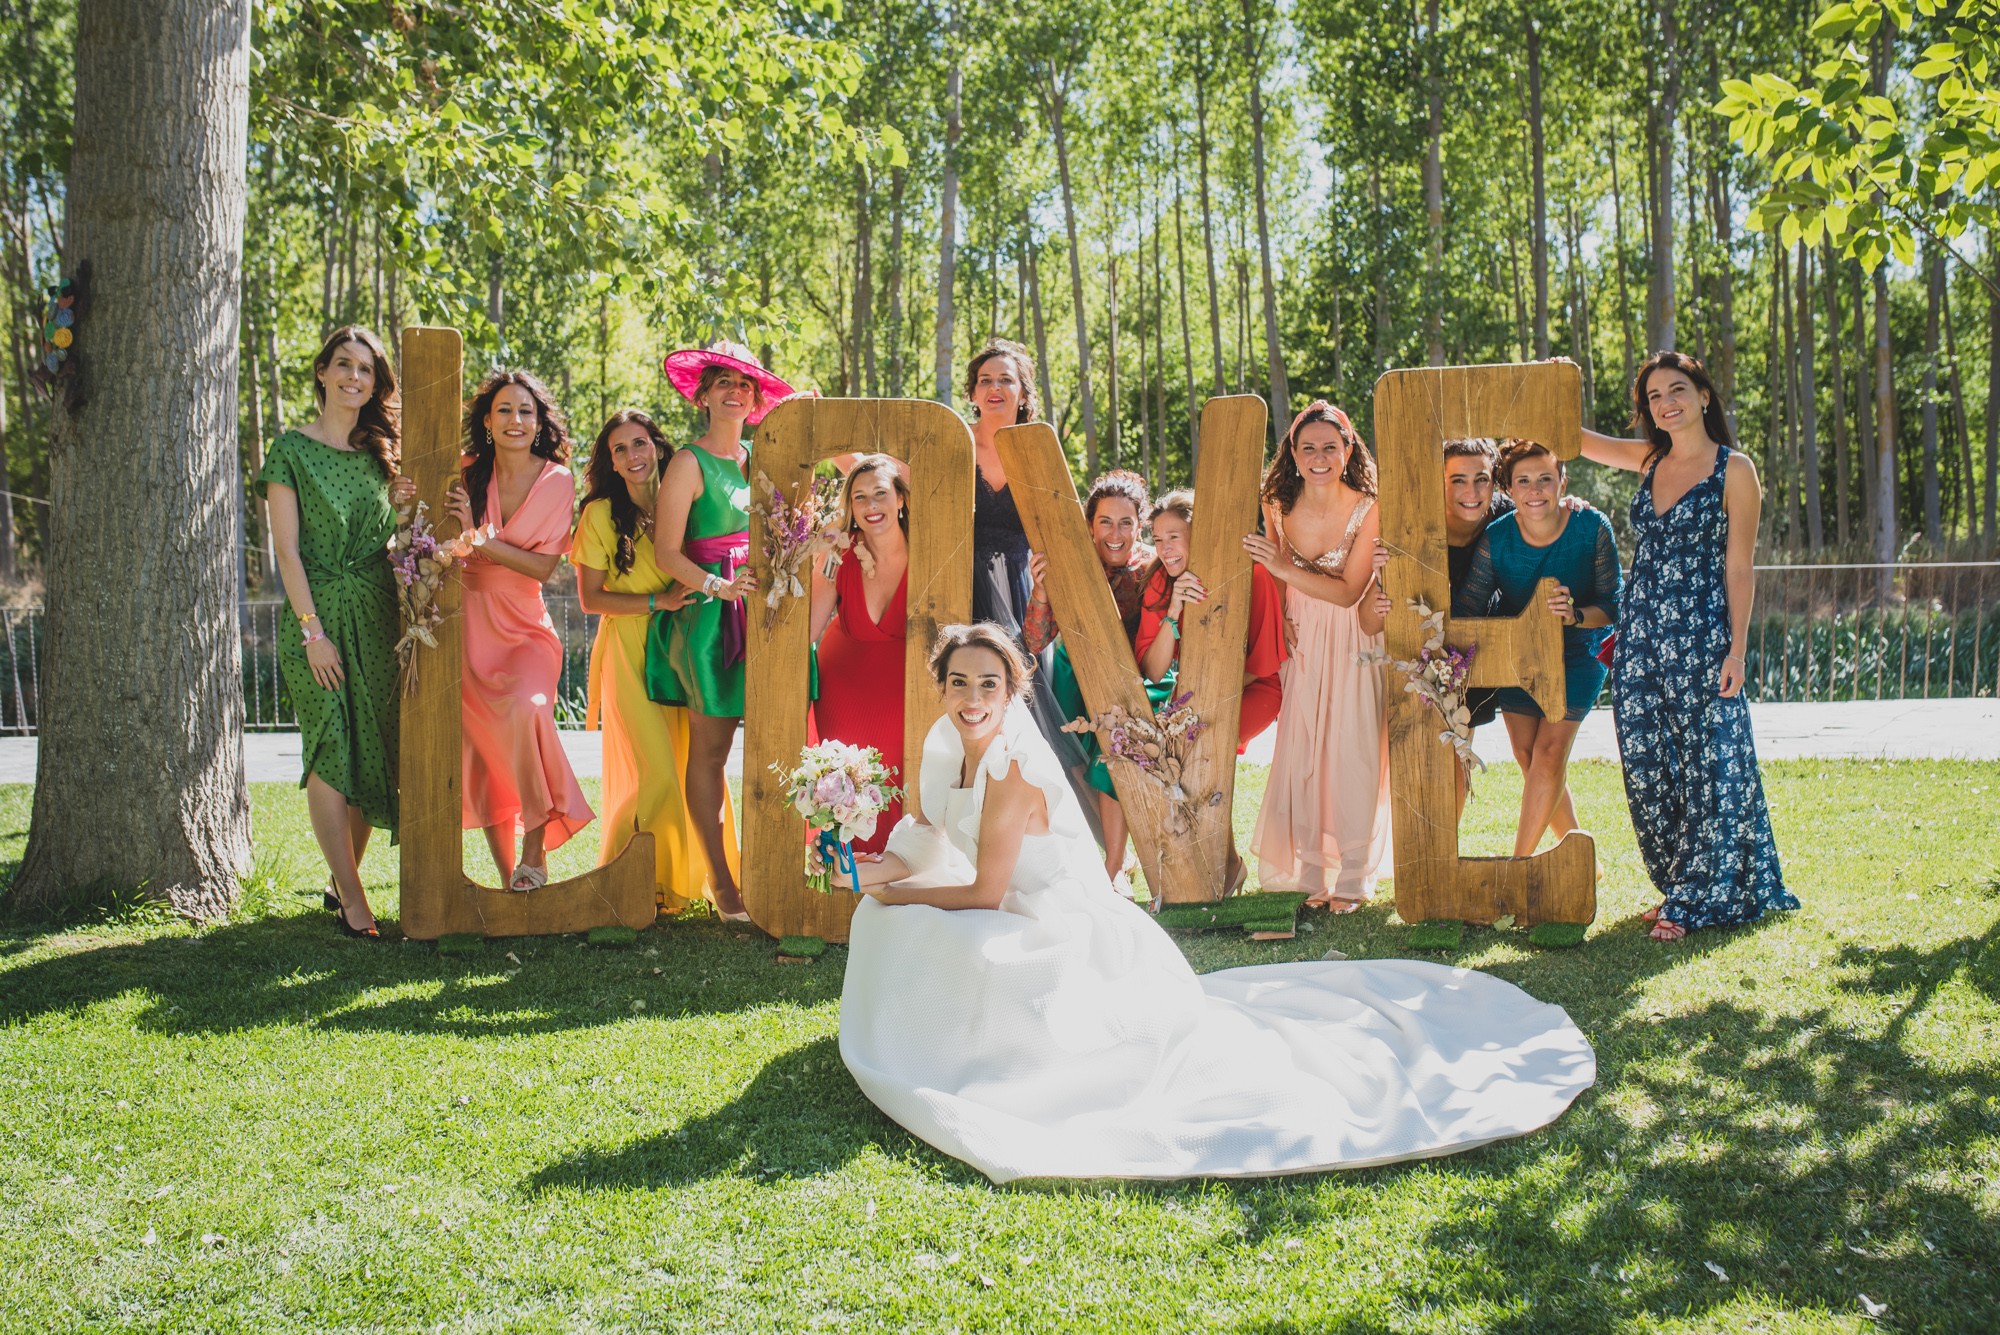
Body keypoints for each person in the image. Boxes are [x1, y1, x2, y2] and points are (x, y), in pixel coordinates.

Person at [836, 623, 1595, 1184]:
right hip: (1005, 902)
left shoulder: (1008, 767)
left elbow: (983, 891)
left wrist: (891, 891)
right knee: (887, 916)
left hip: (1049, 919)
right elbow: (929, 831)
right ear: (942, 687)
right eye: (960, 683)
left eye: (988, 685)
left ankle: (972, 1053)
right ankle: (932, 1038)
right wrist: (868, 866)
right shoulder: (946, 743)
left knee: (907, 918)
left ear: (1012, 692)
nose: (972, 699)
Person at [1581, 351, 1796, 942]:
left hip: (1701, 638)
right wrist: (1540, 387)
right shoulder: (1649, 460)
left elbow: (1740, 568)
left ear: (1704, 396)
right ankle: (1678, 880)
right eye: (1653, 396)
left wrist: (1737, 651)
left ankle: (1697, 896)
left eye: (1676, 389)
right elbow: (1577, 441)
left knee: (1708, 765)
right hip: (1640, 639)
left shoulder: (1735, 470)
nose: (1665, 403)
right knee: (1649, 765)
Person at [258, 326, 414, 939]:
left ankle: (338, 879)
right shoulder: (290, 450)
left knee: (374, 744)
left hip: (376, 612)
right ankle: (353, 901)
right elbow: (287, 552)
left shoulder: (383, 454)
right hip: (316, 612)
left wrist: (404, 502)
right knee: (330, 741)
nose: (354, 376)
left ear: (375, 384)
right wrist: (312, 633)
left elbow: (397, 536)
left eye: (366, 369)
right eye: (344, 364)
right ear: (322, 372)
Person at [645, 340, 793, 922]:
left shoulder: (766, 455)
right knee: (712, 752)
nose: (736, 391)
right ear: (703, 396)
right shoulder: (688, 462)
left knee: (779, 742)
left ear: (756, 400)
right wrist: (716, 587)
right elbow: (666, 552)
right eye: (724, 382)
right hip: (710, 619)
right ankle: (723, 884)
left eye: (745, 384)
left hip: (769, 614)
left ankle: (772, 871)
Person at [574, 409, 738, 913]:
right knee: (658, 771)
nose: (633, 456)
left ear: (658, 448)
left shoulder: (684, 496)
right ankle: (636, 881)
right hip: (629, 646)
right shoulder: (600, 515)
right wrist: (656, 601)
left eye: (640, 443)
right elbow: (590, 599)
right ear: (611, 463)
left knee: (695, 763)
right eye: (620, 449)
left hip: (684, 645)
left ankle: (699, 877)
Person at [447, 370, 594, 892]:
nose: (515, 419)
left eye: (525, 411)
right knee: (485, 750)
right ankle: (509, 875)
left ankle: (535, 847)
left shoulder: (556, 480)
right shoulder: (463, 471)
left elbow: (542, 568)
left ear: (538, 422)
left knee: (527, 711)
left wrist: (477, 538)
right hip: (467, 626)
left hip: (526, 628)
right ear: (487, 422)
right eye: (504, 410)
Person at [1243, 401, 1391, 909]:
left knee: (1353, 747)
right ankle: (1309, 871)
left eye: (1330, 446)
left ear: (1348, 450)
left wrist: (1283, 571)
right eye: (1308, 448)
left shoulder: (1370, 507)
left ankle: (1352, 875)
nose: (1319, 457)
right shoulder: (1275, 502)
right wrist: (1281, 614)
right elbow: (1273, 576)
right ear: (1293, 451)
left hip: (1353, 634)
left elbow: (1349, 592)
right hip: (1302, 633)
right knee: (1304, 747)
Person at [1453, 439, 1622, 866]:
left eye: (1545, 478)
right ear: (1509, 489)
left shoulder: (1592, 527)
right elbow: (1470, 605)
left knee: (1549, 753)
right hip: (1519, 652)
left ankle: (1518, 866)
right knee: (1528, 755)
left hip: (1579, 654)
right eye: (1524, 481)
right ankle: (1584, 860)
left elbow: (1613, 606)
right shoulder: (1497, 537)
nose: (1535, 490)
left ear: (1563, 480)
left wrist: (1575, 615)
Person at [962, 338, 1102, 838]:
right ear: (972, 392)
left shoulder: (1038, 449)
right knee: (980, 711)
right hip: (967, 594)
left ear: (1023, 393)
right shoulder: (953, 443)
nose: (995, 388)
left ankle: (1081, 837)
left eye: (1006, 379)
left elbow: (1065, 524)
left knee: (1039, 710)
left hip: (1026, 593)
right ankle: (990, 832)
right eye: (985, 380)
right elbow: (888, 478)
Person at [1132, 488, 1288, 895]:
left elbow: (1263, 665)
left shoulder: (1252, 574)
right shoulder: (1159, 582)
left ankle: (1223, 864)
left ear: (1198, 535)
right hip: (1196, 695)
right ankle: (1224, 864)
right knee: (1182, 751)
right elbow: (1154, 669)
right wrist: (1174, 609)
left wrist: (1204, 701)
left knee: (1203, 748)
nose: (1165, 549)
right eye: (1158, 539)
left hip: (1253, 687)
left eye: (1174, 537)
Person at [1025, 469, 1153, 880]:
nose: (1115, 534)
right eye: (1105, 522)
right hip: (1074, 677)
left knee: (1111, 754)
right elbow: (1035, 640)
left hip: (1135, 680)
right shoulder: (1071, 565)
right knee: (1071, 762)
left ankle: (1114, 863)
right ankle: (1116, 855)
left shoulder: (1153, 567)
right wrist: (1041, 590)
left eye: (1125, 523)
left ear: (1140, 525)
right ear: (1089, 525)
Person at [808, 454, 911, 854]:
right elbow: (809, 628)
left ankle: (896, 871)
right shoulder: (839, 553)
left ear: (900, 498)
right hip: (841, 690)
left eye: (880, 494)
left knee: (898, 785)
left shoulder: (927, 551)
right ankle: (842, 873)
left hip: (904, 691)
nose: (871, 506)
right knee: (844, 790)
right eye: (859, 497)